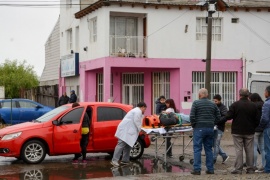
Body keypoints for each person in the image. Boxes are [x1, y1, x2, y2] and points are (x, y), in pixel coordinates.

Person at [222, 88, 260, 174]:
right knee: (249, 150)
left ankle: (238, 169)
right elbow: (258, 119)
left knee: (239, 150)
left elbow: (228, 116)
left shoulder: (235, 105)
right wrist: (253, 127)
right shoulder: (253, 105)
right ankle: (250, 168)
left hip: (237, 131)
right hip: (250, 131)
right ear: (248, 95)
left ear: (240, 94)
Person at [190, 88, 220, 175]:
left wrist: (194, 125)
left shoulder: (196, 103)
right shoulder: (213, 104)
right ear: (207, 95)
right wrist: (212, 123)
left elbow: (192, 116)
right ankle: (210, 169)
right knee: (209, 149)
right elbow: (218, 116)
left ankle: (197, 169)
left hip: (199, 128)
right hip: (210, 128)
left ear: (199, 95)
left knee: (197, 149)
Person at [111, 102, 147, 167]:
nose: (144, 111)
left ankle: (125, 160)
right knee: (121, 145)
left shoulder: (136, 111)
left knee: (128, 145)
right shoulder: (137, 111)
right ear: (143, 107)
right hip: (125, 130)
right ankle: (114, 160)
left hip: (128, 130)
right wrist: (141, 130)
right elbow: (137, 121)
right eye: (145, 109)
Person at [249, 93, 265, 172]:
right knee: (262, 148)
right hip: (263, 129)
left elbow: (252, 118)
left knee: (254, 148)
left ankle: (254, 165)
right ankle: (264, 165)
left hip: (255, 129)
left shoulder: (253, 106)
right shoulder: (264, 104)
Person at [257, 85, 270, 174]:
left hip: (268, 128)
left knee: (268, 149)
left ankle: (268, 168)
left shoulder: (267, 104)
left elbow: (264, 118)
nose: (264, 93)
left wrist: (260, 127)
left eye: (265, 91)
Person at [213, 94, 229, 164]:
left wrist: (217, 121)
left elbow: (225, 117)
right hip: (214, 128)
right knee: (214, 144)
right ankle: (224, 155)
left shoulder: (223, 108)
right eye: (214, 101)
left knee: (216, 143)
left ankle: (214, 159)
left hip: (220, 128)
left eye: (216, 101)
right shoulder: (214, 106)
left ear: (220, 100)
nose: (214, 102)